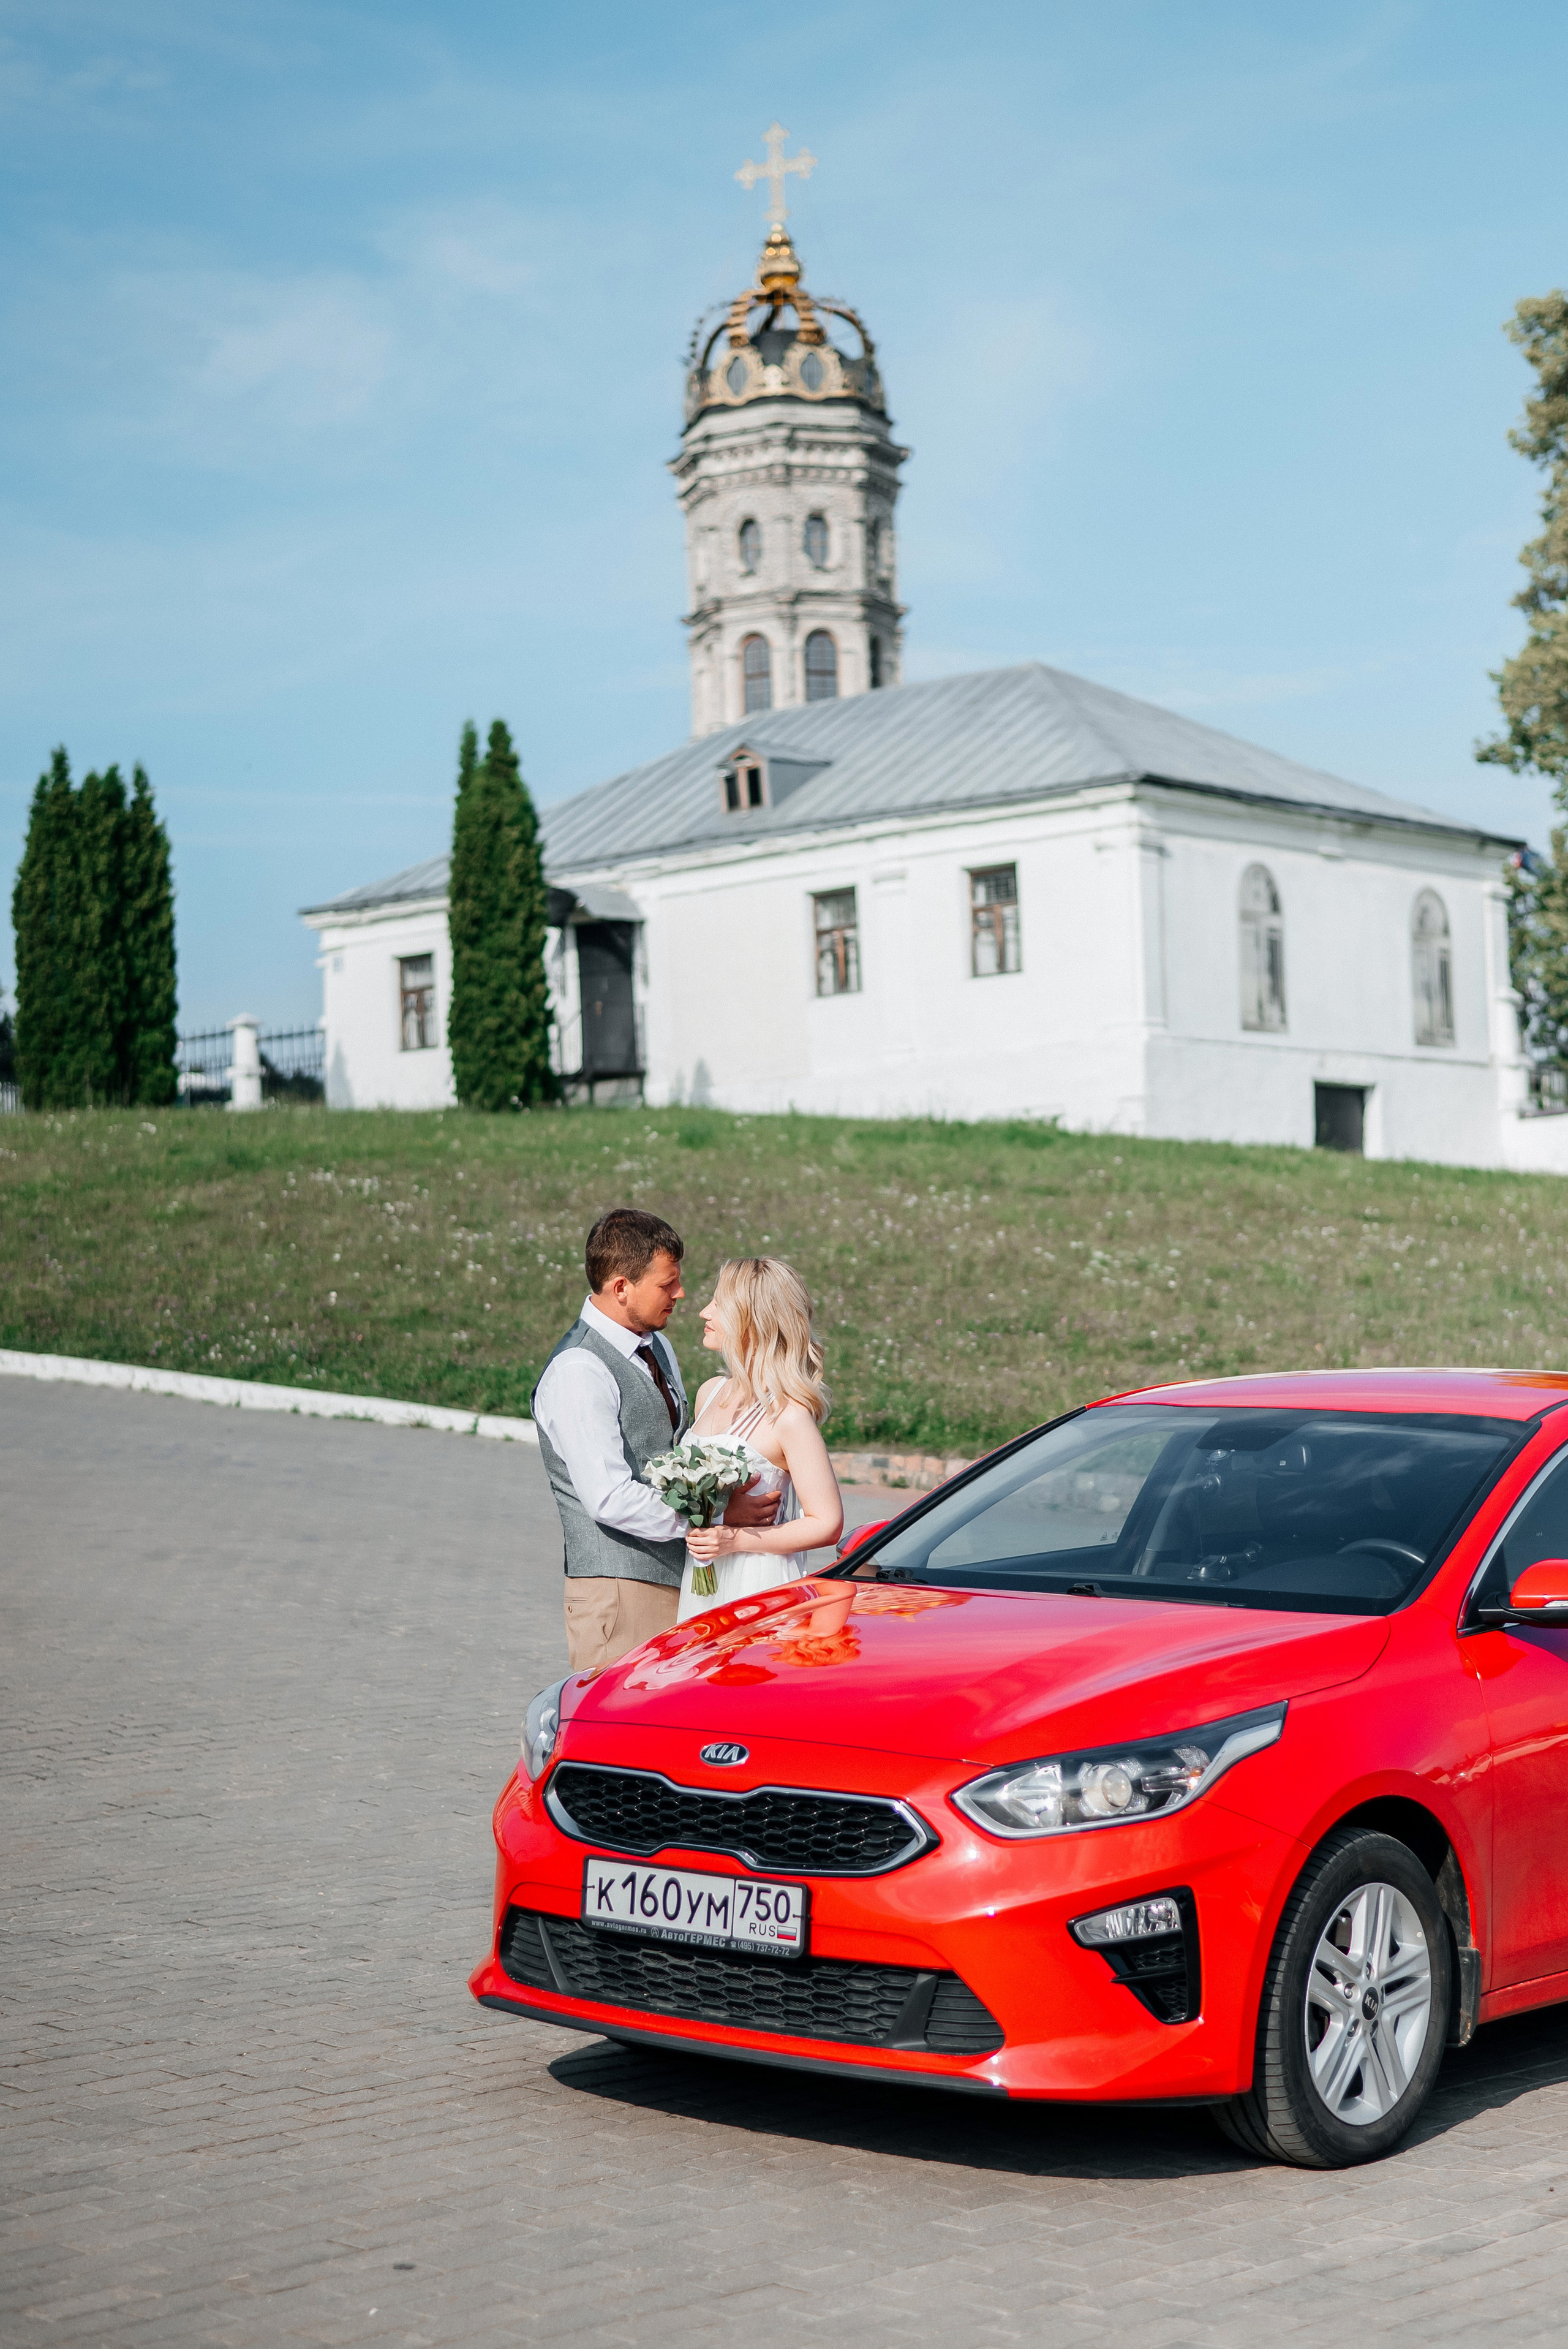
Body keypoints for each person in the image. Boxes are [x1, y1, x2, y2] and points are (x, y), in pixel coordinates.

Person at [531, 1207, 779, 1672]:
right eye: (667, 1285)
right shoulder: (579, 1371)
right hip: (620, 1591)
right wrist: (720, 1514)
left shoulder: (654, 1345)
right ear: (622, 1287)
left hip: (680, 1581)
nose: (681, 1294)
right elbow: (609, 1498)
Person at [680, 1257, 844, 1621]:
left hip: (757, 1584)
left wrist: (735, 1540)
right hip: (702, 1577)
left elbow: (827, 1522)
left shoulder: (789, 1416)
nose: (705, 1312)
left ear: (752, 1320)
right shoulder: (709, 1393)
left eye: (719, 1304)